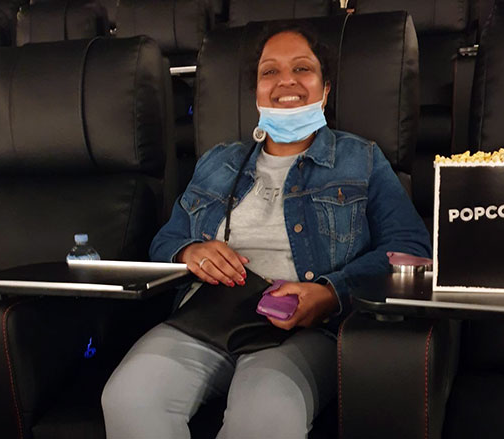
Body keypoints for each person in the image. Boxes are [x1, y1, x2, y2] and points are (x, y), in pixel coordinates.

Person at [101, 22, 431, 439]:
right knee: (127, 399)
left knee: (265, 418)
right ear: (257, 92)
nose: (285, 81)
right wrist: (189, 251)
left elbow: (411, 247)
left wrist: (331, 293)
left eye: (303, 69)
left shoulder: (361, 159)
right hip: (206, 319)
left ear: (326, 89)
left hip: (301, 330)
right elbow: (165, 239)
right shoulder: (218, 161)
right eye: (269, 72)